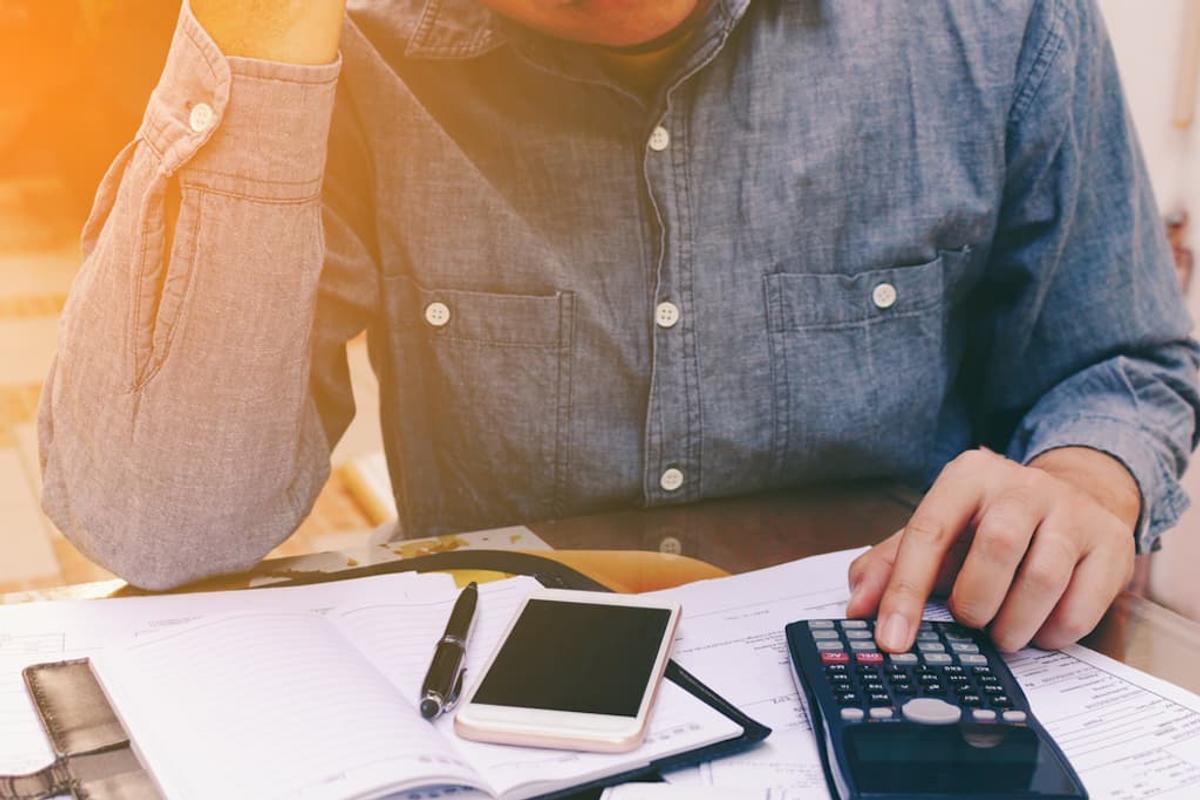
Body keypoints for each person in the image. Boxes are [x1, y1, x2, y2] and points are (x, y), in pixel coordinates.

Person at [39, 0, 1200, 657]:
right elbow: (160, 517)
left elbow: (1119, 359)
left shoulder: (994, 23)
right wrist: (258, 44)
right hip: (485, 721)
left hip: (906, 684)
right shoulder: (361, 43)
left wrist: (1088, 481)